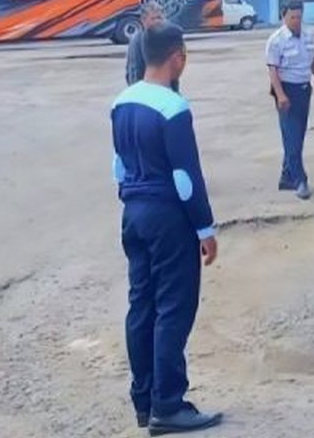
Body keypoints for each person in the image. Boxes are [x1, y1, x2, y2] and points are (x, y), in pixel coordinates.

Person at [111, 23, 222, 433]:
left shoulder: (121, 103)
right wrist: (204, 228)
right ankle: (168, 405)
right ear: (176, 57)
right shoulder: (173, 108)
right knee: (174, 308)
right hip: (167, 217)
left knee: (142, 305)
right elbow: (185, 178)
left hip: (133, 213)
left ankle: (144, 401)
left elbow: (119, 167)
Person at [265, 0, 314, 200]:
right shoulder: (276, 40)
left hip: (303, 90)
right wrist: (281, 95)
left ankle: (286, 177)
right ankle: (300, 181)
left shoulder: (308, 36)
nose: (296, 21)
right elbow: (273, 70)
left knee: (297, 135)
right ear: (284, 17)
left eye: (299, 17)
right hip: (286, 92)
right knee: (291, 137)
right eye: (292, 17)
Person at [125, 5, 167, 86]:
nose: (157, 21)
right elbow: (134, 71)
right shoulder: (138, 40)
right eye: (153, 19)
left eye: (160, 18)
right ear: (143, 21)